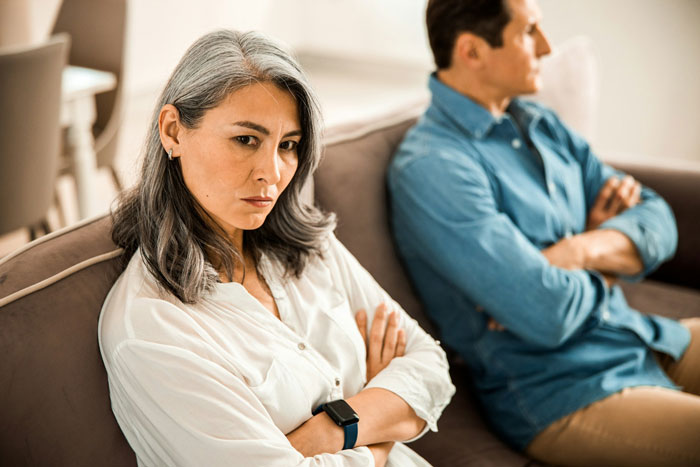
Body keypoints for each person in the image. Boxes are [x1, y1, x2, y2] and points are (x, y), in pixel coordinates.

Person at [99, 29, 454, 467]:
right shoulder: (153, 330)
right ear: (173, 131)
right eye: (246, 139)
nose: (272, 173)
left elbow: (430, 367)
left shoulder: (309, 247)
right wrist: (379, 434)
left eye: (288, 146)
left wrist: (334, 430)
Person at [387, 0, 700, 465]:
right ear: (473, 51)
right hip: (564, 391)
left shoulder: (540, 124)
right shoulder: (435, 167)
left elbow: (658, 220)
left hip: (639, 337)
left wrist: (578, 249)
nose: (547, 47)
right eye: (529, 32)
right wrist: (614, 265)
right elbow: (546, 312)